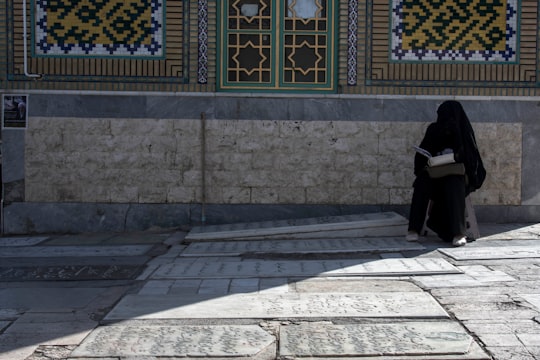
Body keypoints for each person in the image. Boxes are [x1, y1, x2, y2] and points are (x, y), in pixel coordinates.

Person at [406, 100, 486, 246]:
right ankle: (413, 229)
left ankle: (458, 233)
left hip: (457, 176)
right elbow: (422, 156)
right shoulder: (434, 129)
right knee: (421, 183)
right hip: (436, 175)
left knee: (453, 182)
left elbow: (471, 160)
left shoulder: (463, 130)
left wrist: (457, 150)